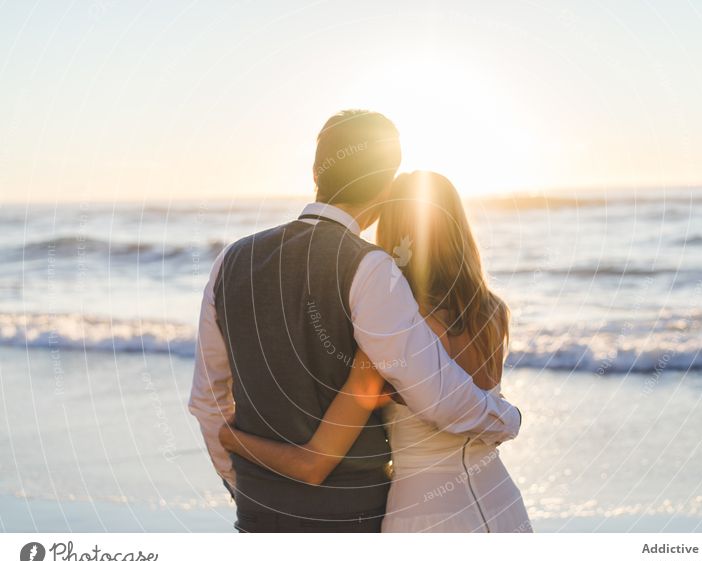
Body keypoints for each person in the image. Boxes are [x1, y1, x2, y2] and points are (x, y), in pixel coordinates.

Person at [188, 111, 522, 532]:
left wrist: (244, 487)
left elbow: (207, 401)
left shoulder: (230, 260)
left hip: (258, 514)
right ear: (386, 187)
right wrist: (509, 419)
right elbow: (437, 397)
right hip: (352, 517)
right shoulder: (369, 267)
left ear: (316, 171)